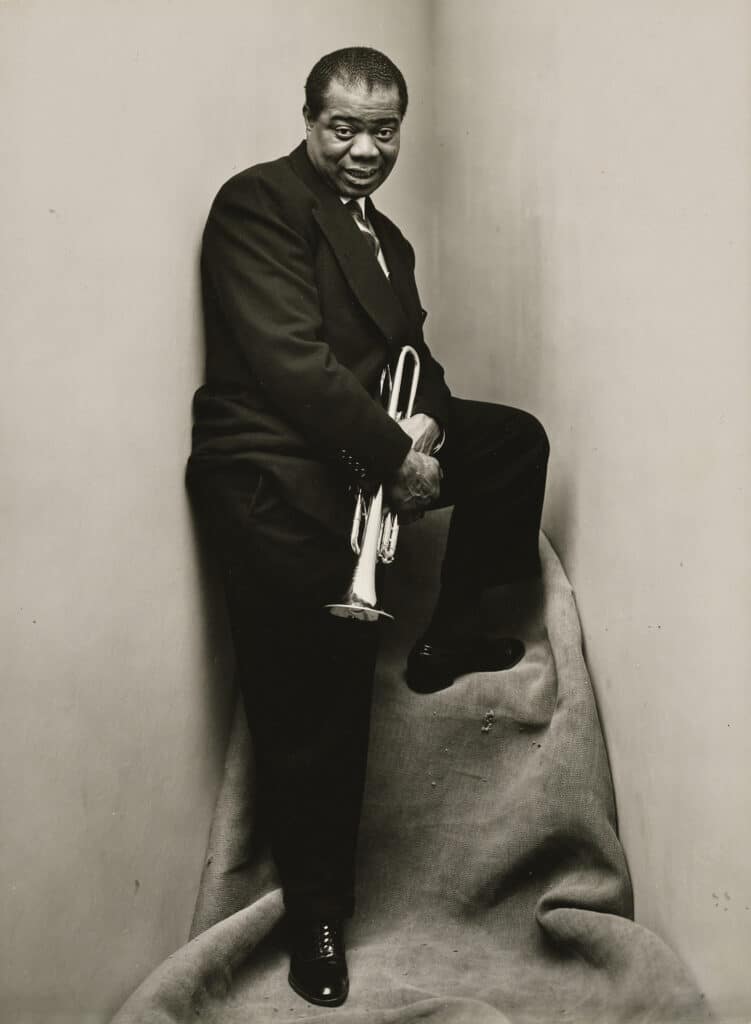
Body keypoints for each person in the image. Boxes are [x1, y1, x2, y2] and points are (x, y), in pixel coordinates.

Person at [187, 46, 549, 1008]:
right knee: (319, 699)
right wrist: (396, 458)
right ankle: (316, 919)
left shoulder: (384, 233)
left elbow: (412, 354)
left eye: (381, 129)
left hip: (364, 439)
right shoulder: (257, 203)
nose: (361, 148)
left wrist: (424, 416)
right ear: (308, 119)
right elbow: (291, 366)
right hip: (272, 470)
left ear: (400, 130)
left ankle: (454, 632)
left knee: (511, 443)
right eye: (341, 127)